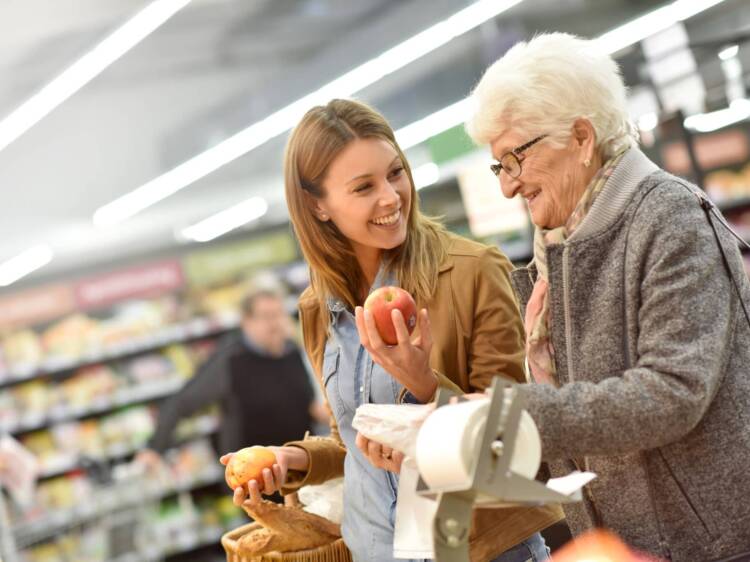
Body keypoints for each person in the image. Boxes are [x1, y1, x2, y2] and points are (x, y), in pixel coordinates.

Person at [221, 99, 563, 562]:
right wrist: (294, 460)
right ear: (317, 206)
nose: (390, 197)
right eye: (364, 187)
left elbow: (513, 437)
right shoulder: (319, 307)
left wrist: (424, 383)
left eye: (396, 173)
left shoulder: (471, 272)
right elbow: (357, 442)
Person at [455, 32, 750, 562]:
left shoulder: (669, 216)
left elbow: (673, 392)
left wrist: (520, 412)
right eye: (498, 166)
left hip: (711, 544)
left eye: (513, 159)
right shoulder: (559, 251)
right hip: (622, 545)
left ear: (582, 138)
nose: (507, 186)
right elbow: (579, 430)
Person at [139, 288, 322, 471]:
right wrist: (154, 447)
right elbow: (182, 402)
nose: (275, 323)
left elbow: (308, 402)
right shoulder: (231, 361)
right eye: (266, 316)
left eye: (279, 314)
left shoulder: (292, 351)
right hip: (253, 474)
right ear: (246, 322)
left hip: (300, 466)